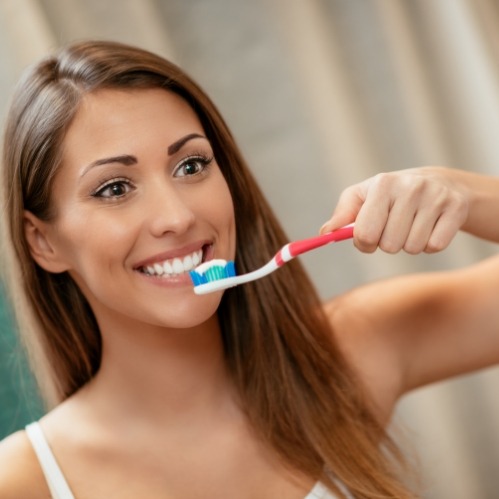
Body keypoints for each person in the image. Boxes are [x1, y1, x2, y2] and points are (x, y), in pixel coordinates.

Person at [0, 40, 498, 499]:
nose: (177, 217)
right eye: (114, 188)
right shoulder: (25, 480)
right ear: (43, 241)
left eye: (191, 166)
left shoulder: (347, 353)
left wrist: (463, 192)